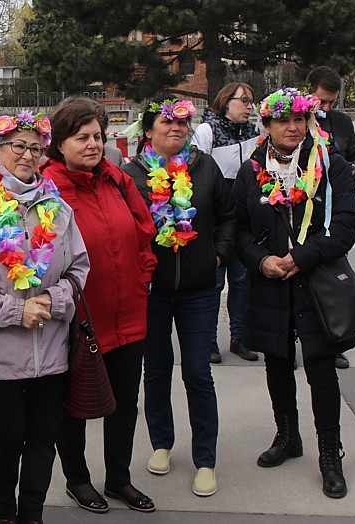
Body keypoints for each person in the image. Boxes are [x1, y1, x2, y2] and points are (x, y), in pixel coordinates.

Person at [0, 112, 89, 524]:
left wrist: (55, 300)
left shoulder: (58, 209)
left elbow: (79, 268)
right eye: (18, 146)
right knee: (6, 443)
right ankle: (4, 515)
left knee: (44, 442)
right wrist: (15, 309)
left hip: (52, 353)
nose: (27, 154)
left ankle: (32, 515)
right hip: (0, 357)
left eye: (34, 147)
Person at [233, 88, 355, 498]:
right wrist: (260, 260)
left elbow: (345, 226)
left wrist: (299, 258)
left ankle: (329, 454)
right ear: (266, 125)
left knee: (320, 367)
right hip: (270, 284)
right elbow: (241, 229)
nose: (293, 127)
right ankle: (288, 436)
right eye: (284, 120)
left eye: (300, 120)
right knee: (277, 362)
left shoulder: (330, 164)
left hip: (314, 280)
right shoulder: (252, 170)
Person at [40, 98, 157, 513]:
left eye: (98, 136)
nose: (93, 144)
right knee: (75, 404)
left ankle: (119, 478)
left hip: (129, 312)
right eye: (82, 137)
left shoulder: (117, 180)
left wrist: (143, 276)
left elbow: (144, 232)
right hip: (79, 320)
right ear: (58, 143)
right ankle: (78, 479)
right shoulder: (45, 187)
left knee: (125, 401)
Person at [123, 95, 235, 497]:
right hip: (151, 291)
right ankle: (161, 443)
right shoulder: (133, 174)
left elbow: (227, 215)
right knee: (155, 370)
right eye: (166, 124)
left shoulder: (204, 168)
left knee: (197, 373)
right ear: (148, 131)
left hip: (200, 289)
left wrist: (218, 254)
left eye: (181, 125)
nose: (176, 130)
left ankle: (205, 459)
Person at [193, 82, 260, 363]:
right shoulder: (207, 130)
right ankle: (208, 340)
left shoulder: (253, 132)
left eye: (251, 101)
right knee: (215, 282)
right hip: (216, 219)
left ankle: (239, 337)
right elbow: (196, 169)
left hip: (243, 217)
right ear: (225, 101)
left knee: (242, 281)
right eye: (243, 100)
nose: (249, 106)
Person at [307, 66, 355, 370]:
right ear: (309, 93)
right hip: (304, 208)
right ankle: (296, 338)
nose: (327, 108)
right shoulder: (298, 120)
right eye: (322, 101)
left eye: (332, 102)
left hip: (335, 207)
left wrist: (351, 171)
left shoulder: (341, 122)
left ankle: (335, 337)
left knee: (332, 275)